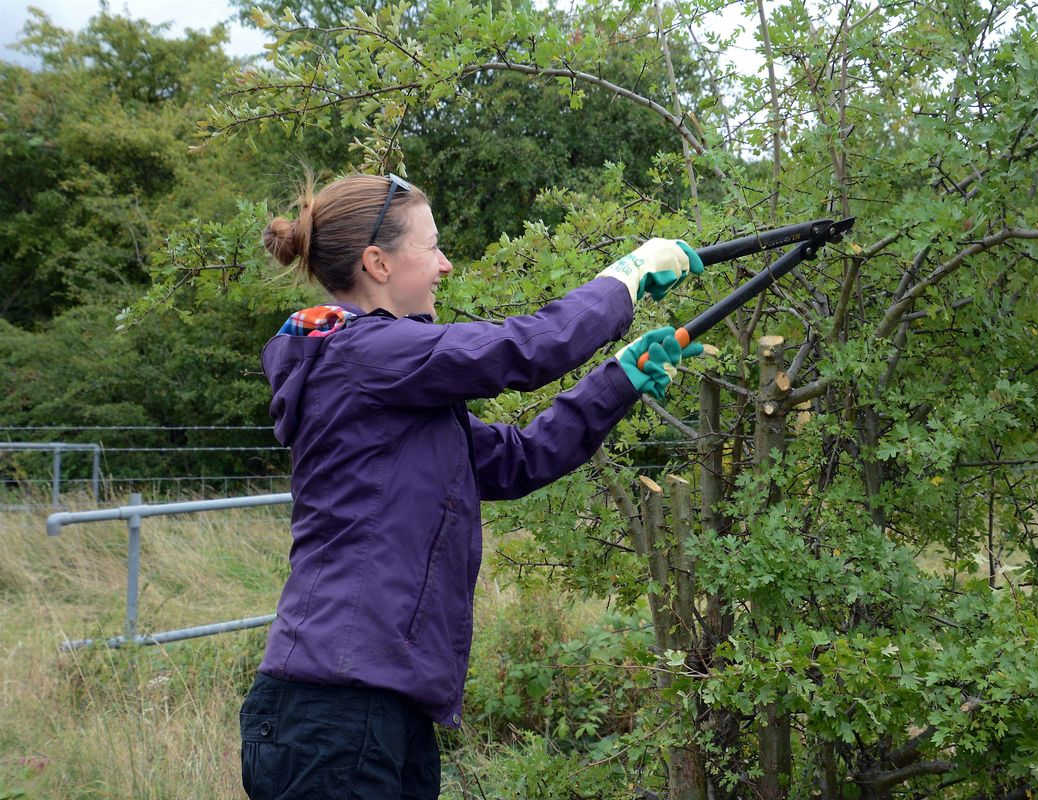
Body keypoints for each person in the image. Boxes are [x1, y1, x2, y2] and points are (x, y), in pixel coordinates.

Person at [241, 172, 705, 799]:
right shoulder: (360, 354)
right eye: (431, 247)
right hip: (336, 715)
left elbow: (517, 459)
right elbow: (521, 350)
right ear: (377, 262)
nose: (445, 265)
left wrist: (618, 380)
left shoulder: (390, 385)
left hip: (377, 711)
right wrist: (625, 277)